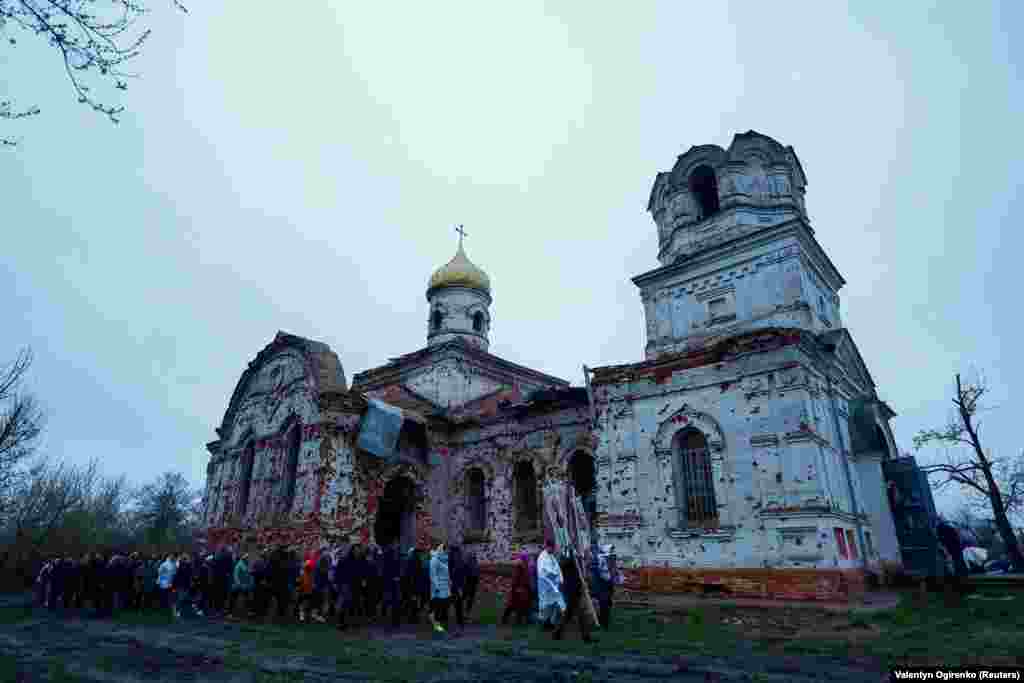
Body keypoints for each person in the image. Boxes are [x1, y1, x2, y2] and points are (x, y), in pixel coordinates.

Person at [552, 553, 595, 643]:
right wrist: (574, 558)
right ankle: (586, 637)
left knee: (570, 614)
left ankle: (557, 634)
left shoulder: (572, 560)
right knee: (580, 613)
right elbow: (564, 564)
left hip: (575, 588)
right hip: (571, 589)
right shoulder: (565, 560)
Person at [536, 539, 565, 631]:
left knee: (554, 604)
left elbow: (557, 568)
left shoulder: (551, 556)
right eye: (553, 548)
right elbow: (544, 571)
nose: (554, 550)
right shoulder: (542, 557)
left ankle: (551, 622)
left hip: (553, 586)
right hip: (545, 585)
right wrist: (554, 576)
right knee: (545, 605)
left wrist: (560, 579)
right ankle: (544, 623)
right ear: (549, 547)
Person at [501, 552, 532, 626]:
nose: (528, 560)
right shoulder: (520, 567)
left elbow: (525, 578)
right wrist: (516, 587)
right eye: (526, 559)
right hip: (519, 589)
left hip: (521, 589)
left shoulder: (524, 566)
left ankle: (519, 620)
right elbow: (516, 578)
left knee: (520, 605)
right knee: (515, 605)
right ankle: (514, 620)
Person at [428, 540, 451, 634]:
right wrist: (436, 587)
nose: (448, 552)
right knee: (438, 606)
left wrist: (450, 581)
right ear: (442, 550)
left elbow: (447, 573)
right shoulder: (434, 560)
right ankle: (436, 624)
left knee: (445, 605)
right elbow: (433, 575)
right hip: (438, 587)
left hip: (446, 587)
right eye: (447, 550)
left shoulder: (445, 560)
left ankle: (440, 621)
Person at [229, 552, 254, 618]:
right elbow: (235, 575)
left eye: (247, 558)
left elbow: (249, 575)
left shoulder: (246, 565)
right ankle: (230, 613)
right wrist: (239, 584)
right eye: (246, 558)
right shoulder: (239, 565)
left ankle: (247, 612)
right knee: (234, 599)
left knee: (246, 599)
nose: (247, 559)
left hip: (244, 585)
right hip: (238, 585)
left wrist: (248, 584)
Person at [461, 548, 480, 618]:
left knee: (466, 597)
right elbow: (476, 573)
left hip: (470, 581)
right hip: (471, 581)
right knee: (468, 598)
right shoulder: (474, 562)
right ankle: (466, 613)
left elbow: (464, 571)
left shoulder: (470, 562)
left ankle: (465, 612)